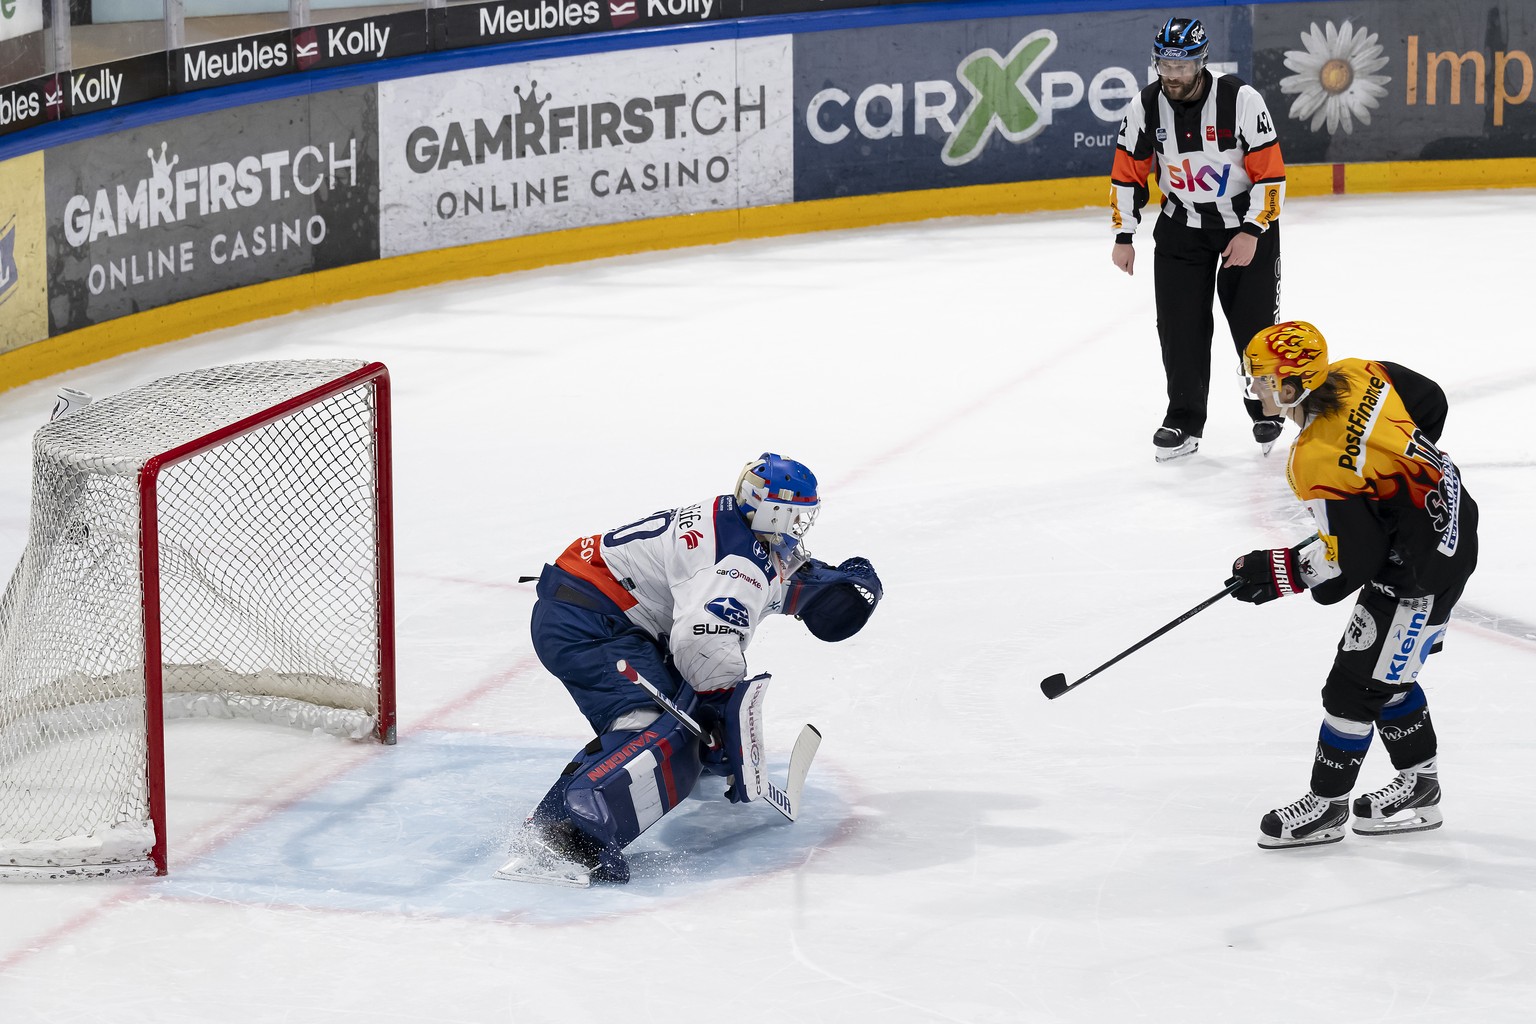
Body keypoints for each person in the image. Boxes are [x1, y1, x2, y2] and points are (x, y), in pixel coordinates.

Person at [499, 453, 883, 885]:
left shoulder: (733, 522)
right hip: (589, 624)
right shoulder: (736, 563)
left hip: (600, 608)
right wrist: (721, 715)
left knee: (689, 715)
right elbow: (701, 642)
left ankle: (584, 814)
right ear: (774, 511)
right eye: (796, 517)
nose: (799, 528)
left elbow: (762, 579)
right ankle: (559, 841)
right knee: (657, 727)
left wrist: (826, 584)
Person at [1225, 321, 1478, 849]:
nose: (1258, 390)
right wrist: (1398, 485)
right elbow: (1429, 401)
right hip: (1450, 523)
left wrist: (1279, 572)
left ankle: (1327, 807)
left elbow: (1350, 565)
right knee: (1389, 676)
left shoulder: (1314, 458)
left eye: (1267, 381)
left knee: (1354, 689)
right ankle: (1420, 787)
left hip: (1417, 573)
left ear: (1295, 384)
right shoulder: (1358, 372)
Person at [1110, 16, 1288, 463]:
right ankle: (1183, 419)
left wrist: (1252, 231)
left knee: (1254, 328)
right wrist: (1124, 233)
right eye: (1164, 65)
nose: (1172, 75)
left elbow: (1272, 175)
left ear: (1201, 62)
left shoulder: (1240, 100)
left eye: (1182, 66)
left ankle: (1266, 408)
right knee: (1179, 328)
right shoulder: (1145, 106)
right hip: (1180, 230)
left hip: (1244, 227)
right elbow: (1128, 174)